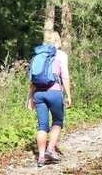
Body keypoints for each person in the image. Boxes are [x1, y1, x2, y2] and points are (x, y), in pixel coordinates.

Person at [27, 32, 72, 167]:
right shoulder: (61, 55)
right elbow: (65, 76)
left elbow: (33, 79)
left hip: (38, 93)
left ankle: (41, 158)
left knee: (42, 126)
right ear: (58, 41)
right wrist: (69, 95)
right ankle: (50, 148)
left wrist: (30, 98)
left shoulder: (39, 55)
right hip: (54, 92)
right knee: (57, 121)